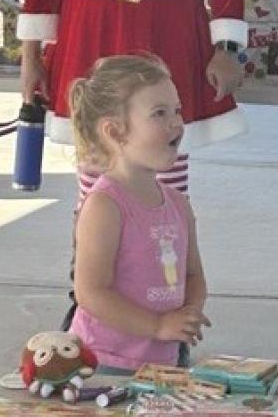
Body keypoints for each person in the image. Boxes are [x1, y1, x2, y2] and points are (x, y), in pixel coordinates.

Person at [16, 0, 249, 199]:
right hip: (92, 20)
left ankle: (168, 231)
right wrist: (30, 55)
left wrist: (228, 47)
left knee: (165, 138)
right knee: (96, 146)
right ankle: (92, 233)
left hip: (170, 22)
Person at [67, 55, 211, 374]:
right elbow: (90, 292)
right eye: (159, 113)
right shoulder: (105, 205)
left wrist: (189, 314)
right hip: (105, 362)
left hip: (166, 360)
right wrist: (158, 325)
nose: (176, 122)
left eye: (177, 110)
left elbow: (193, 275)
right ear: (115, 132)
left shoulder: (177, 203)